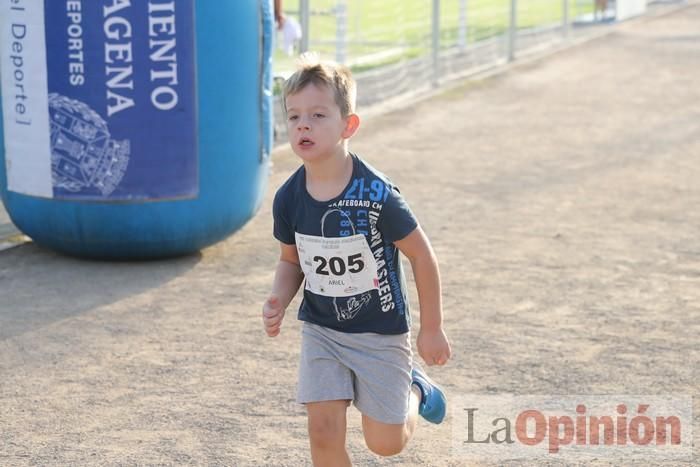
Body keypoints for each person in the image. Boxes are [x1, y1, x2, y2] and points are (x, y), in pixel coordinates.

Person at [262, 53, 451, 465]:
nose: (303, 125)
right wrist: (279, 296)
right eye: (293, 117)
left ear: (348, 125)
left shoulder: (378, 195)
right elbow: (291, 261)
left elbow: (421, 255)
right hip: (322, 332)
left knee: (385, 444)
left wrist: (431, 328)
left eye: (317, 114)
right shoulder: (289, 198)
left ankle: (415, 389)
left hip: (380, 334)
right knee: (323, 433)